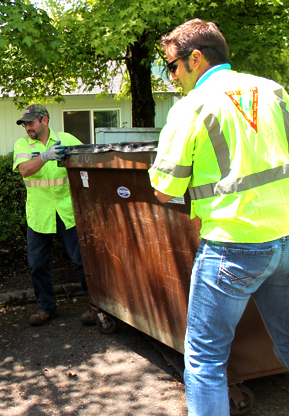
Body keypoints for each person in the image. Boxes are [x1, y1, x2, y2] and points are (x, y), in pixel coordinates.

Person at [149, 18, 289, 416]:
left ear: (195, 58)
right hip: (285, 240)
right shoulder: (274, 91)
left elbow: (165, 189)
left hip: (232, 248)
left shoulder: (191, 106)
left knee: (205, 360)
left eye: (172, 66)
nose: (172, 76)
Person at [13, 104, 98, 326]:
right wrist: (44, 156)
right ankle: (46, 309)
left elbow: (89, 160)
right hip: (39, 215)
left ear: (45, 120)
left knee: (83, 261)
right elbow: (24, 170)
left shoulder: (67, 139)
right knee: (37, 264)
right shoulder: (22, 144)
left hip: (67, 211)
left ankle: (96, 306)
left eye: (31, 123)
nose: (28, 128)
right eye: (25, 124)